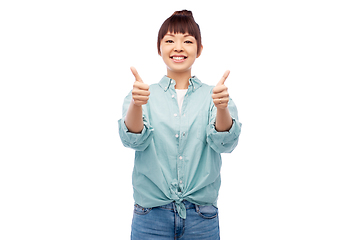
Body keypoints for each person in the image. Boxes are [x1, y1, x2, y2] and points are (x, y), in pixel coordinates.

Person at [118, 10, 242, 240]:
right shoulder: (143, 93)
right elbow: (132, 139)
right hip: (150, 217)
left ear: (199, 49)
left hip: (202, 218)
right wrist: (136, 104)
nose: (178, 47)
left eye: (187, 41)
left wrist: (222, 107)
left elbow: (225, 143)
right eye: (169, 41)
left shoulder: (214, 95)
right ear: (159, 48)